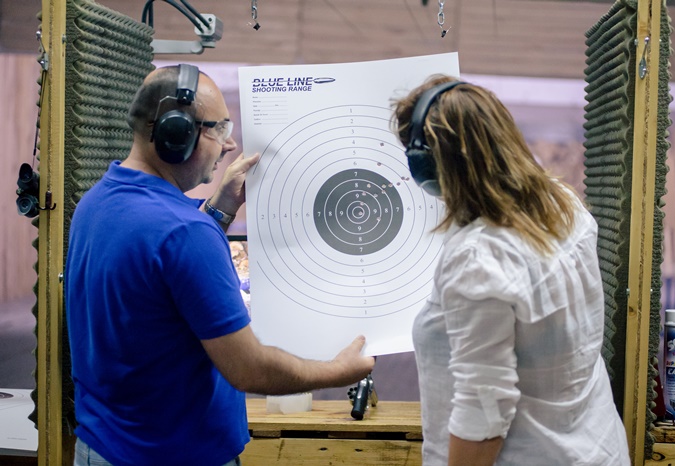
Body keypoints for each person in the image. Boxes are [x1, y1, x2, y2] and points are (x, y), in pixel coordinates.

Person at [64, 64, 375, 466]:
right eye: (219, 129)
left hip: (102, 449)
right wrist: (337, 370)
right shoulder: (185, 233)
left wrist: (221, 208)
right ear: (177, 134)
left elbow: (161, 267)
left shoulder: (96, 202)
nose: (229, 145)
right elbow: (249, 370)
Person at [392, 75, 630, 465]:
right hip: (597, 448)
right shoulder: (562, 203)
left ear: (430, 164)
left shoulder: (478, 258)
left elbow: (483, 412)